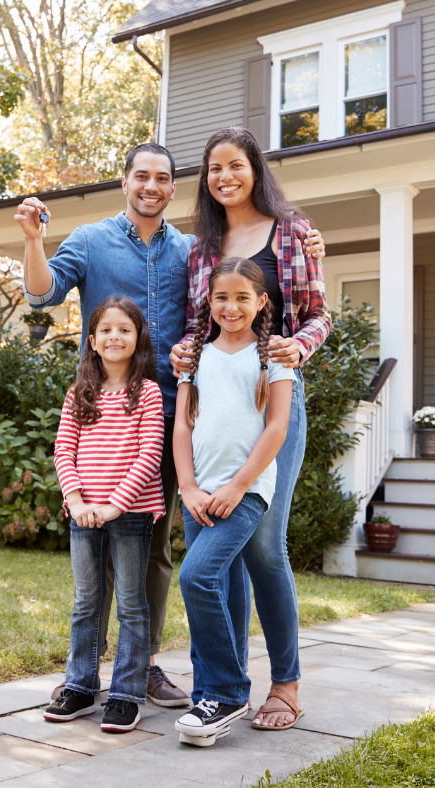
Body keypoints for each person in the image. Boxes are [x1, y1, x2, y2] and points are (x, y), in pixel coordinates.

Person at [15, 142, 326, 707]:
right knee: (118, 546)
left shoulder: (210, 244)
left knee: (175, 548)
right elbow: (42, 294)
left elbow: (296, 309)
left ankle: (155, 667)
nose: (151, 186)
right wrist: (34, 240)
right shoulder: (102, 241)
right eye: (141, 176)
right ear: (125, 181)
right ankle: (96, 675)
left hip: (209, 405)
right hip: (130, 413)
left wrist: (294, 336)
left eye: (163, 178)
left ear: (176, 188)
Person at [170, 127, 331, 731]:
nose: (224, 176)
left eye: (235, 165)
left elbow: (319, 314)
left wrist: (295, 348)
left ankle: (285, 685)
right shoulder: (200, 245)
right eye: (213, 168)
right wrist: (185, 356)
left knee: (265, 547)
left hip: (273, 396)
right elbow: (197, 324)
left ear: (254, 169)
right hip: (216, 403)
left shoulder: (291, 229)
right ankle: (225, 686)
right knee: (222, 552)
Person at [173, 258, 295, 746]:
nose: (231, 306)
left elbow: (277, 428)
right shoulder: (194, 357)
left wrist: (238, 485)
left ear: (261, 302)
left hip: (244, 492)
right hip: (198, 490)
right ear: (209, 300)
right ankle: (210, 696)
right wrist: (188, 487)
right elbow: (182, 425)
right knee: (214, 585)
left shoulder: (275, 357)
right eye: (222, 296)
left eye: (243, 297)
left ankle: (227, 692)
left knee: (197, 575)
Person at [44, 296, 165, 733]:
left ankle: (127, 694)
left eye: (125, 329)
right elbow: (64, 450)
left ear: (138, 339)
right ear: (92, 341)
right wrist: (76, 502)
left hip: (130, 512)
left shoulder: (147, 393)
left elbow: (151, 452)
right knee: (86, 603)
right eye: (106, 330)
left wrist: (118, 502)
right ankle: (79, 685)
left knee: (132, 605)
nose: (115, 336)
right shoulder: (80, 394)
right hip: (83, 513)